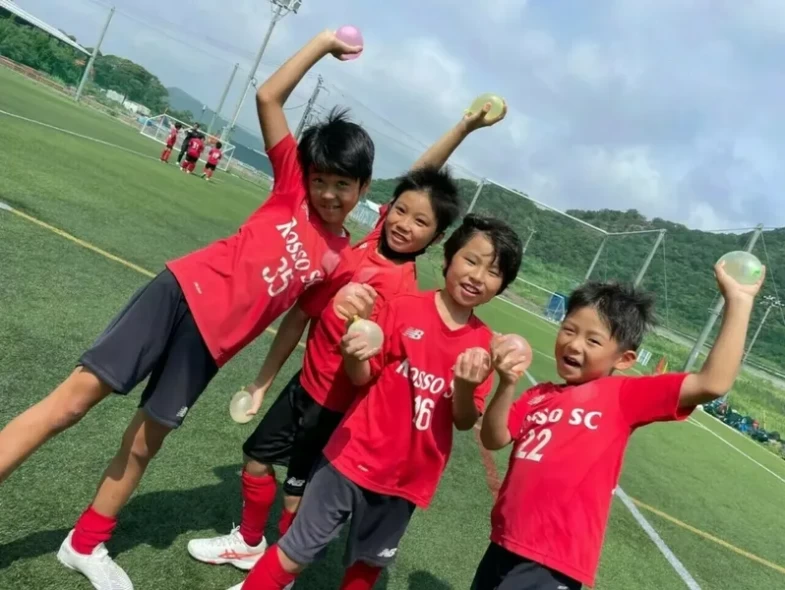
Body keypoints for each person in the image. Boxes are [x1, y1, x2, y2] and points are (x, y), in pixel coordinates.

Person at [0, 28, 370, 590]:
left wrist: (264, 382)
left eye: (342, 184)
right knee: (69, 404)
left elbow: (298, 320)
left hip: (209, 348)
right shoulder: (290, 189)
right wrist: (321, 44)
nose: (328, 193)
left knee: (143, 444)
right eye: (321, 180)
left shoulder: (342, 260)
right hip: (177, 294)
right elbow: (268, 96)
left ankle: (85, 543)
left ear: (362, 188)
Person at [186, 101, 507, 571]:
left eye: (421, 223)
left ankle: (280, 568)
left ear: (437, 240)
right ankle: (250, 542)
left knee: (297, 493)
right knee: (255, 458)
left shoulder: (403, 292)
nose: (404, 224)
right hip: (304, 385)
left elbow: (377, 371)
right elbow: (420, 176)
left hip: (334, 406)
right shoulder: (371, 239)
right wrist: (464, 126)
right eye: (401, 212)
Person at [231, 214, 528, 590]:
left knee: (364, 570)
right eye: (471, 260)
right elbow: (361, 376)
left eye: (494, 272)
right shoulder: (402, 308)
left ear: (502, 285)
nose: (477, 276)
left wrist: (466, 388)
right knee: (294, 551)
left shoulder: (483, 344)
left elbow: (464, 420)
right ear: (448, 257)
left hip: (406, 481)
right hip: (349, 459)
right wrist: (352, 352)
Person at [472, 264, 766, 590]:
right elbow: (493, 437)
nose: (574, 344)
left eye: (593, 340)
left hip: (552, 560)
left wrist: (739, 302)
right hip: (504, 542)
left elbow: (712, 382)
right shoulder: (537, 395)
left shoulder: (623, 396)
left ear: (623, 359)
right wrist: (506, 384)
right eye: (569, 330)